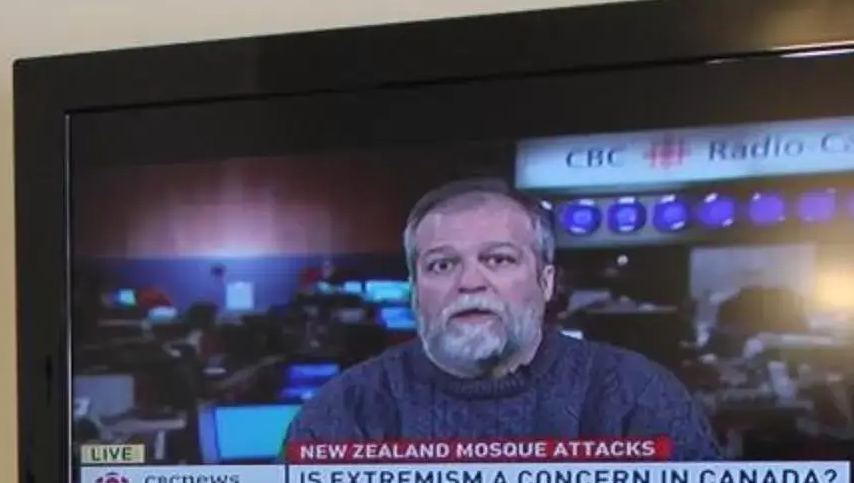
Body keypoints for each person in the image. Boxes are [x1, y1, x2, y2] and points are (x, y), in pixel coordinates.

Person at [285, 179, 720, 457]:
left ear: (545, 282)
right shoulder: (345, 410)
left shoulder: (636, 395)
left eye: (498, 259)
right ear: (416, 292)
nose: (469, 282)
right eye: (441, 265)